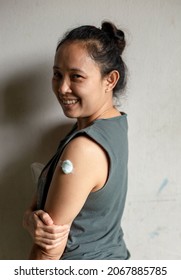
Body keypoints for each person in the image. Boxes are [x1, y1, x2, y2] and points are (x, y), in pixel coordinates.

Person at [23, 21, 130, 260]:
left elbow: (48, 249)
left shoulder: (83, 149)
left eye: (77, 77)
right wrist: (30, 218)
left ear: (110, 80)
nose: (63, 88)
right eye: (57, 75)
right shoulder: (112, 124)